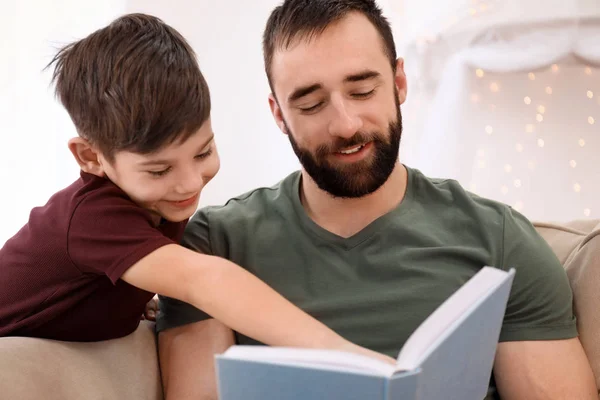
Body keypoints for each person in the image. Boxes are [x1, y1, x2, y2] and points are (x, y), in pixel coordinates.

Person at [155, 1, 598, 399]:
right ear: (279, 115)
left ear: (399, 82)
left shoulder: (500, 240)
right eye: (311, 105)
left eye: (363, 91)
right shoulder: (214, 244)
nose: (346, 125)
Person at [0, 12, 393, 365]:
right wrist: (346, 354)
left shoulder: (154, 207)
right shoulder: (92, 218)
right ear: (90, 157)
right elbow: (206, 281)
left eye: (203, 151)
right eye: (159, 170)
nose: (189, 183)